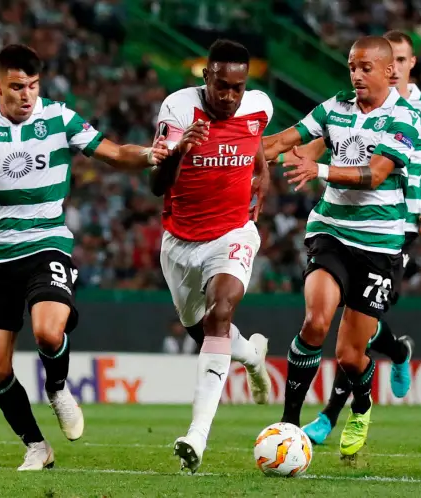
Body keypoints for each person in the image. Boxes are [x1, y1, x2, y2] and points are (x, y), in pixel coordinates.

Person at [0, 44, 168, 471]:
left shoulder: (59, 118)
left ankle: (58, 388)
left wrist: (149, 155)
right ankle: (37, 445)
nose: (26, 95)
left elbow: (114, 152)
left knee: (48, 332)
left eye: (33, 85)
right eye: (16, 87)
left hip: (45, 245)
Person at [285, 30, 421, 445]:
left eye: (399, 60)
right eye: (386, 60)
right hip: (343, 224)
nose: (392, 68)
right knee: (338, 322)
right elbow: (323, 139)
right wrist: (288, 154)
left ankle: (336, 411)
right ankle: (386, 362)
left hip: (399, 227)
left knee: (355, 336)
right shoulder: (351, 105)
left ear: (408, 63)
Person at [262, 36, 420, 460]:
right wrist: (229, 152)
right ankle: (288, 425)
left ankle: (362, 407)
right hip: (331, 231)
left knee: (351, 356)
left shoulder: (404, 118)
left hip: (379, 244)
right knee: (315, 321)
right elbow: (280, 142)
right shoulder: (334, 108)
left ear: (389, 71)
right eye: (352, 67)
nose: (356, 75)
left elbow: (375, 175)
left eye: (366, 67)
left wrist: (319, 169)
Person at [149, 39, 273, 473]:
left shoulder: (259, 106)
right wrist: (179, 152)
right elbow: (156, 185)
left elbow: (256, 140)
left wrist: (263, 173)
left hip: (233, 232)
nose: (230, 96)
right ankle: (252, 357)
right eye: (222, 86)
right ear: (206, 77)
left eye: (238, 87)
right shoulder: (178, 109)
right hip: (180, 242)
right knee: (201, 331)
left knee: (220, 314)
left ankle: (197, 436)